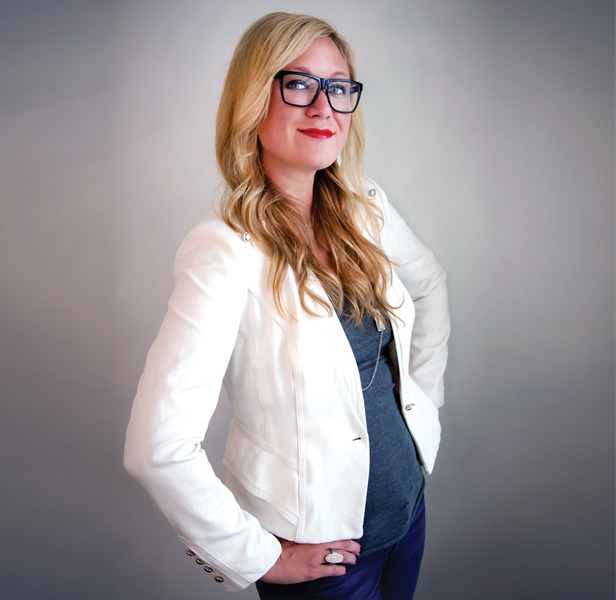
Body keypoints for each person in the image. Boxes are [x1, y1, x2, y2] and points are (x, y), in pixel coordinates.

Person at [124, 11, 450, 600]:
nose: (324, 107)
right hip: (328, 562)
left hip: (407, 518)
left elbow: (429, 284)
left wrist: (421, 411)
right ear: (254, 99)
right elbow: (156, 448)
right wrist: (255, 557)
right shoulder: (223, 251)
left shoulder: (363, 207)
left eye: (339, 87)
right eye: (298, 83)